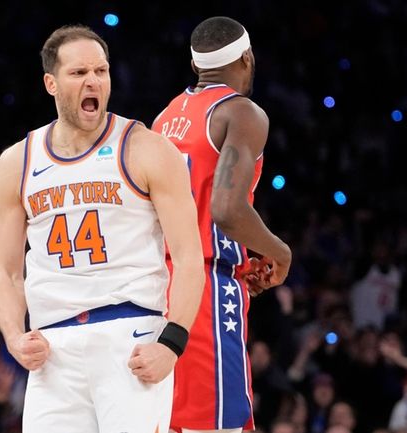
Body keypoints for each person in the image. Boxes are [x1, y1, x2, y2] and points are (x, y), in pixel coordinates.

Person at [0, 24, 205, 433]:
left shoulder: (146, 148)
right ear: (51, 83)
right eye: (79, 73)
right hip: (53, 348)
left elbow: (189, 256)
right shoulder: (17, 162)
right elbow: (6, 272)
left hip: (131, 337)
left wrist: (171, 344)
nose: (93, 81)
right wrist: (14, 338)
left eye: (101, 71)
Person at [151, 16, 292, 432]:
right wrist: (279, 251)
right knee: (218, 425)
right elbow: (226, 210)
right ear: (247, 58)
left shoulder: (164, 118)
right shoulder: (241, 112)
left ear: (196, 65)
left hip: (161, 285)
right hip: (206, 288)